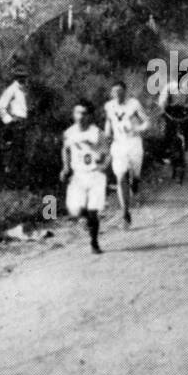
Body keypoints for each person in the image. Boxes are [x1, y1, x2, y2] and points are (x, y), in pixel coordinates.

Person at [61, 100, 110, 254]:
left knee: (93, 210)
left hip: (95, 174)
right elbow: (65, 149)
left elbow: (107, 153)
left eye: (84, 113)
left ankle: (94, 242)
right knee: (75, 211)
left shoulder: (97, 133)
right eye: (77, 113)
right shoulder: (69, 132)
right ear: (73, 114)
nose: (80, 116)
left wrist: (103, 165)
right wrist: (66, 167)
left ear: (90, 116)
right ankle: (87, 220)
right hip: (78, 175)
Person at [104, 81, 149, 227]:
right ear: (111, 94)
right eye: (115, 92)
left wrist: (138, 129)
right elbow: (109, 122)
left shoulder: (134, 104)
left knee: (135, 174)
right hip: (118, 145)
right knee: (121, 176)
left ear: (125, 92)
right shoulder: (109, 106)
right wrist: (107, 133)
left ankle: (136, 180)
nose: (118, 95)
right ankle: (125, 213)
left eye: (120, 92)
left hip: (134, 143)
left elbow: (147, 121)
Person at [0, 66, 30, 180]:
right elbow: (0, 105)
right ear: (16, 77)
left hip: (23, 121)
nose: (23, 78)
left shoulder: (24, 89)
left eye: (24, 76)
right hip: (16, 122)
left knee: (21, 149)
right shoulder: (12, 89)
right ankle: (9, 176)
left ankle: (18, 176)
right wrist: (8, 120)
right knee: (13, 149)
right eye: (20, 76)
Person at [157, 77, 188, 153]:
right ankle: (167, 149)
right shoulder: (169, 86)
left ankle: (186, 146)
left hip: (183, 111)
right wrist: (162, 108)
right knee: (169, 130)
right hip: (171, 111)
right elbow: (163, 98)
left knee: (186, 129)